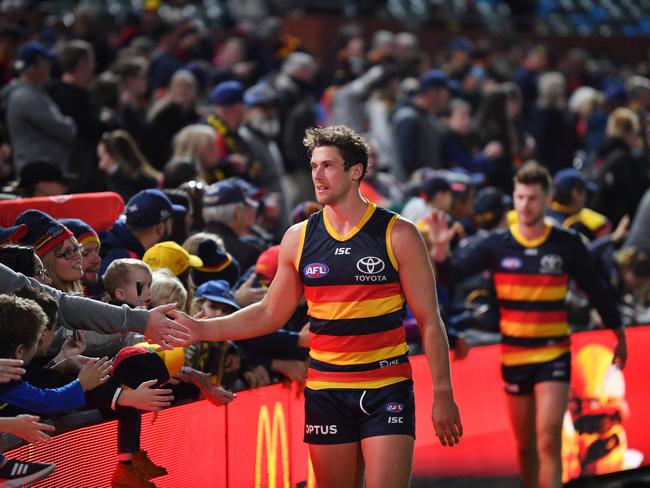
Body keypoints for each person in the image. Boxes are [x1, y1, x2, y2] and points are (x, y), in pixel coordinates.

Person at [171, 125, 462, 488]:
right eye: (313, 166)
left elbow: (430, 321)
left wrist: (443, 394)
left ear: (356, 171)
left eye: (328, 166)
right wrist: (203, 329)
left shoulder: (398, 234)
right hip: (326, 390)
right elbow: (268, 312)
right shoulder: (298, 237)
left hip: (386, 387)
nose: (317, 176)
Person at [434, 162, 627, 488]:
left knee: (549, 439)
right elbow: (452, 275)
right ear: (514, 198)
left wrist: (618, 333)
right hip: (515, 358)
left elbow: (597, 290)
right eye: (520, 197)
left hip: (554, 355)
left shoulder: (567, 243)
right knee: (525, 446)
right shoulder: (496, 244)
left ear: (548, 199)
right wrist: (440, 252)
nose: (525, 205)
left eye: (533, 198)